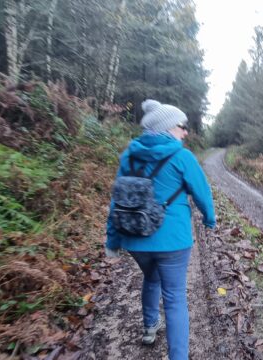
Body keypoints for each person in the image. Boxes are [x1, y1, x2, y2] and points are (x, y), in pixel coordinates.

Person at [105, 99, 216, 360]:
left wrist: (112, 241)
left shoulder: (129, 155)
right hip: (174, 241)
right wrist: (209, 219)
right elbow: (202, 193)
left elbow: (116, 200)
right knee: (175, 297)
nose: (186, 132)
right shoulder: (182, 157)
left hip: (135, 239)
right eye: (182, 126)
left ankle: (149, 327)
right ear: (168, 128)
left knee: (151, 278)